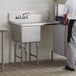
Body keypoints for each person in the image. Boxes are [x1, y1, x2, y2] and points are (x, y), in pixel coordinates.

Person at [63, 0, 76, 71]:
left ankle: (71, 65)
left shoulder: (69, 1)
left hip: (73, 23)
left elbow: (65, 14)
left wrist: (65, 21)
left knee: (72, 44)